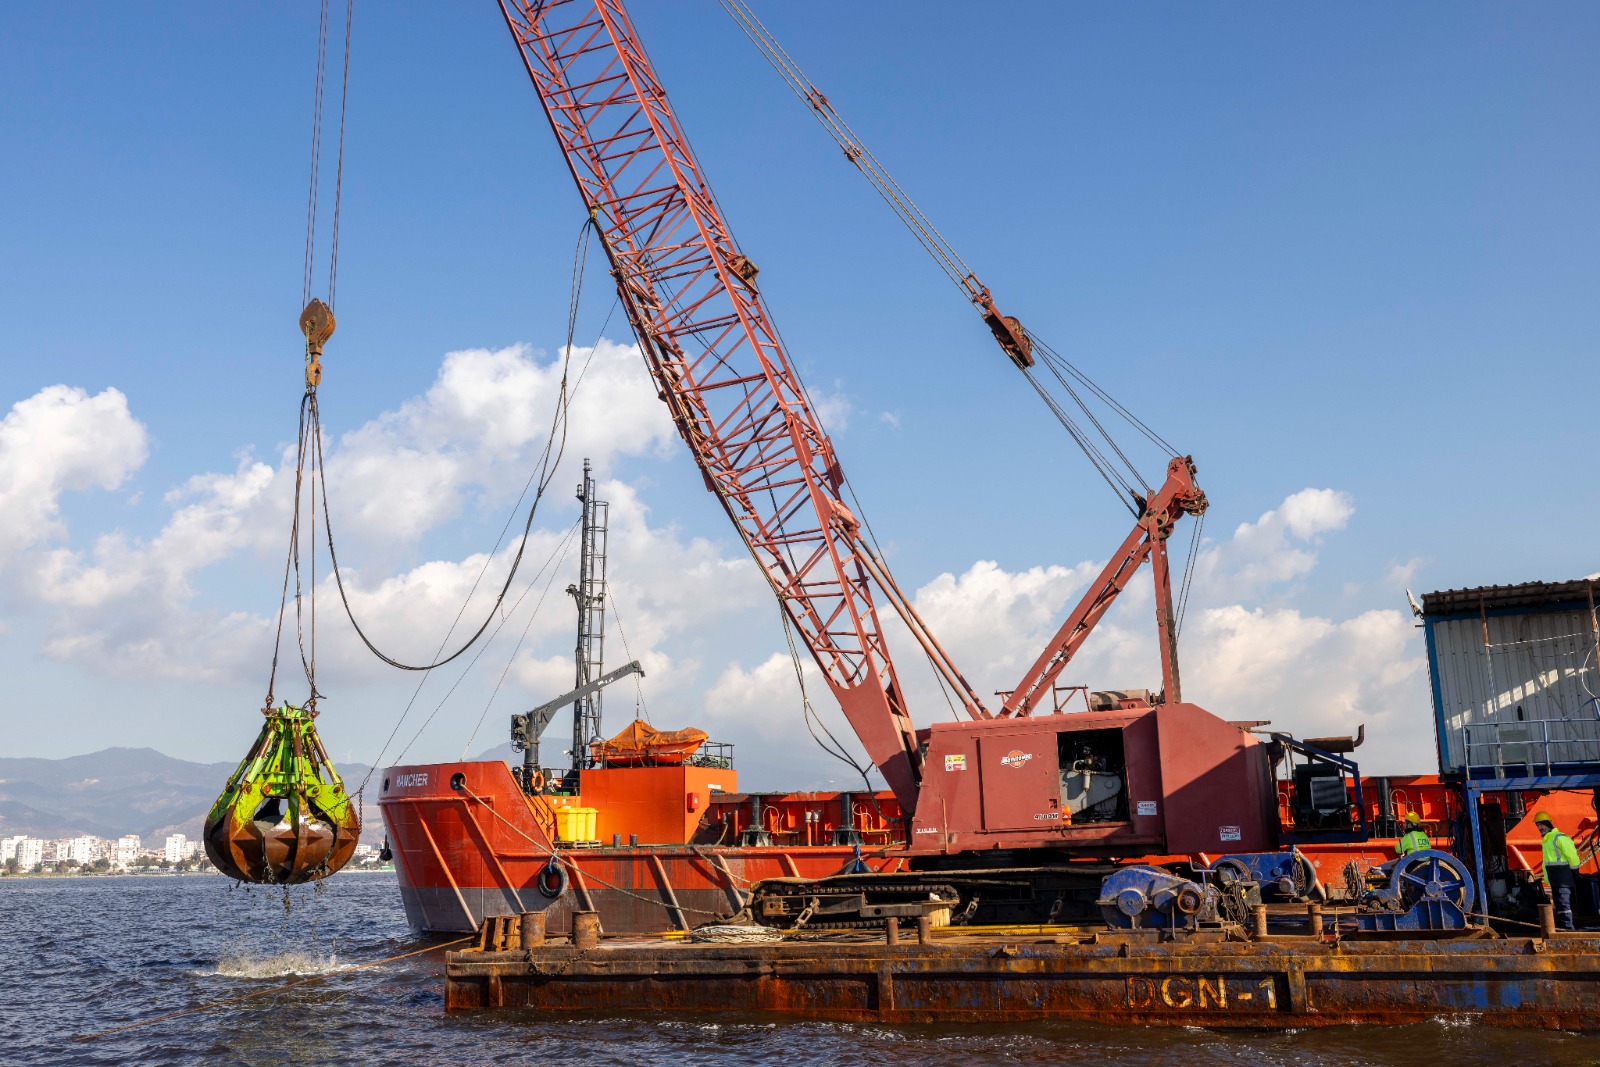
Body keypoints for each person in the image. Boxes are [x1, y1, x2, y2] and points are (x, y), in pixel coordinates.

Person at [1534, 811, 1581, 931]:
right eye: (1537, 825)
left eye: (1541, 824)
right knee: (1560, 904)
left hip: (1563, 877)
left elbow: (1572, 857)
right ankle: (1564, 926)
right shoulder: (1547, 840)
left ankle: (1568, 928)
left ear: (1548, 823)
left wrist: (1575, 873)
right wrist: (1547, 879)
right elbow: (1546, 863)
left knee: (1564, 903)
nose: (1539, 828)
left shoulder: (1560, 838)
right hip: (1556, 878)